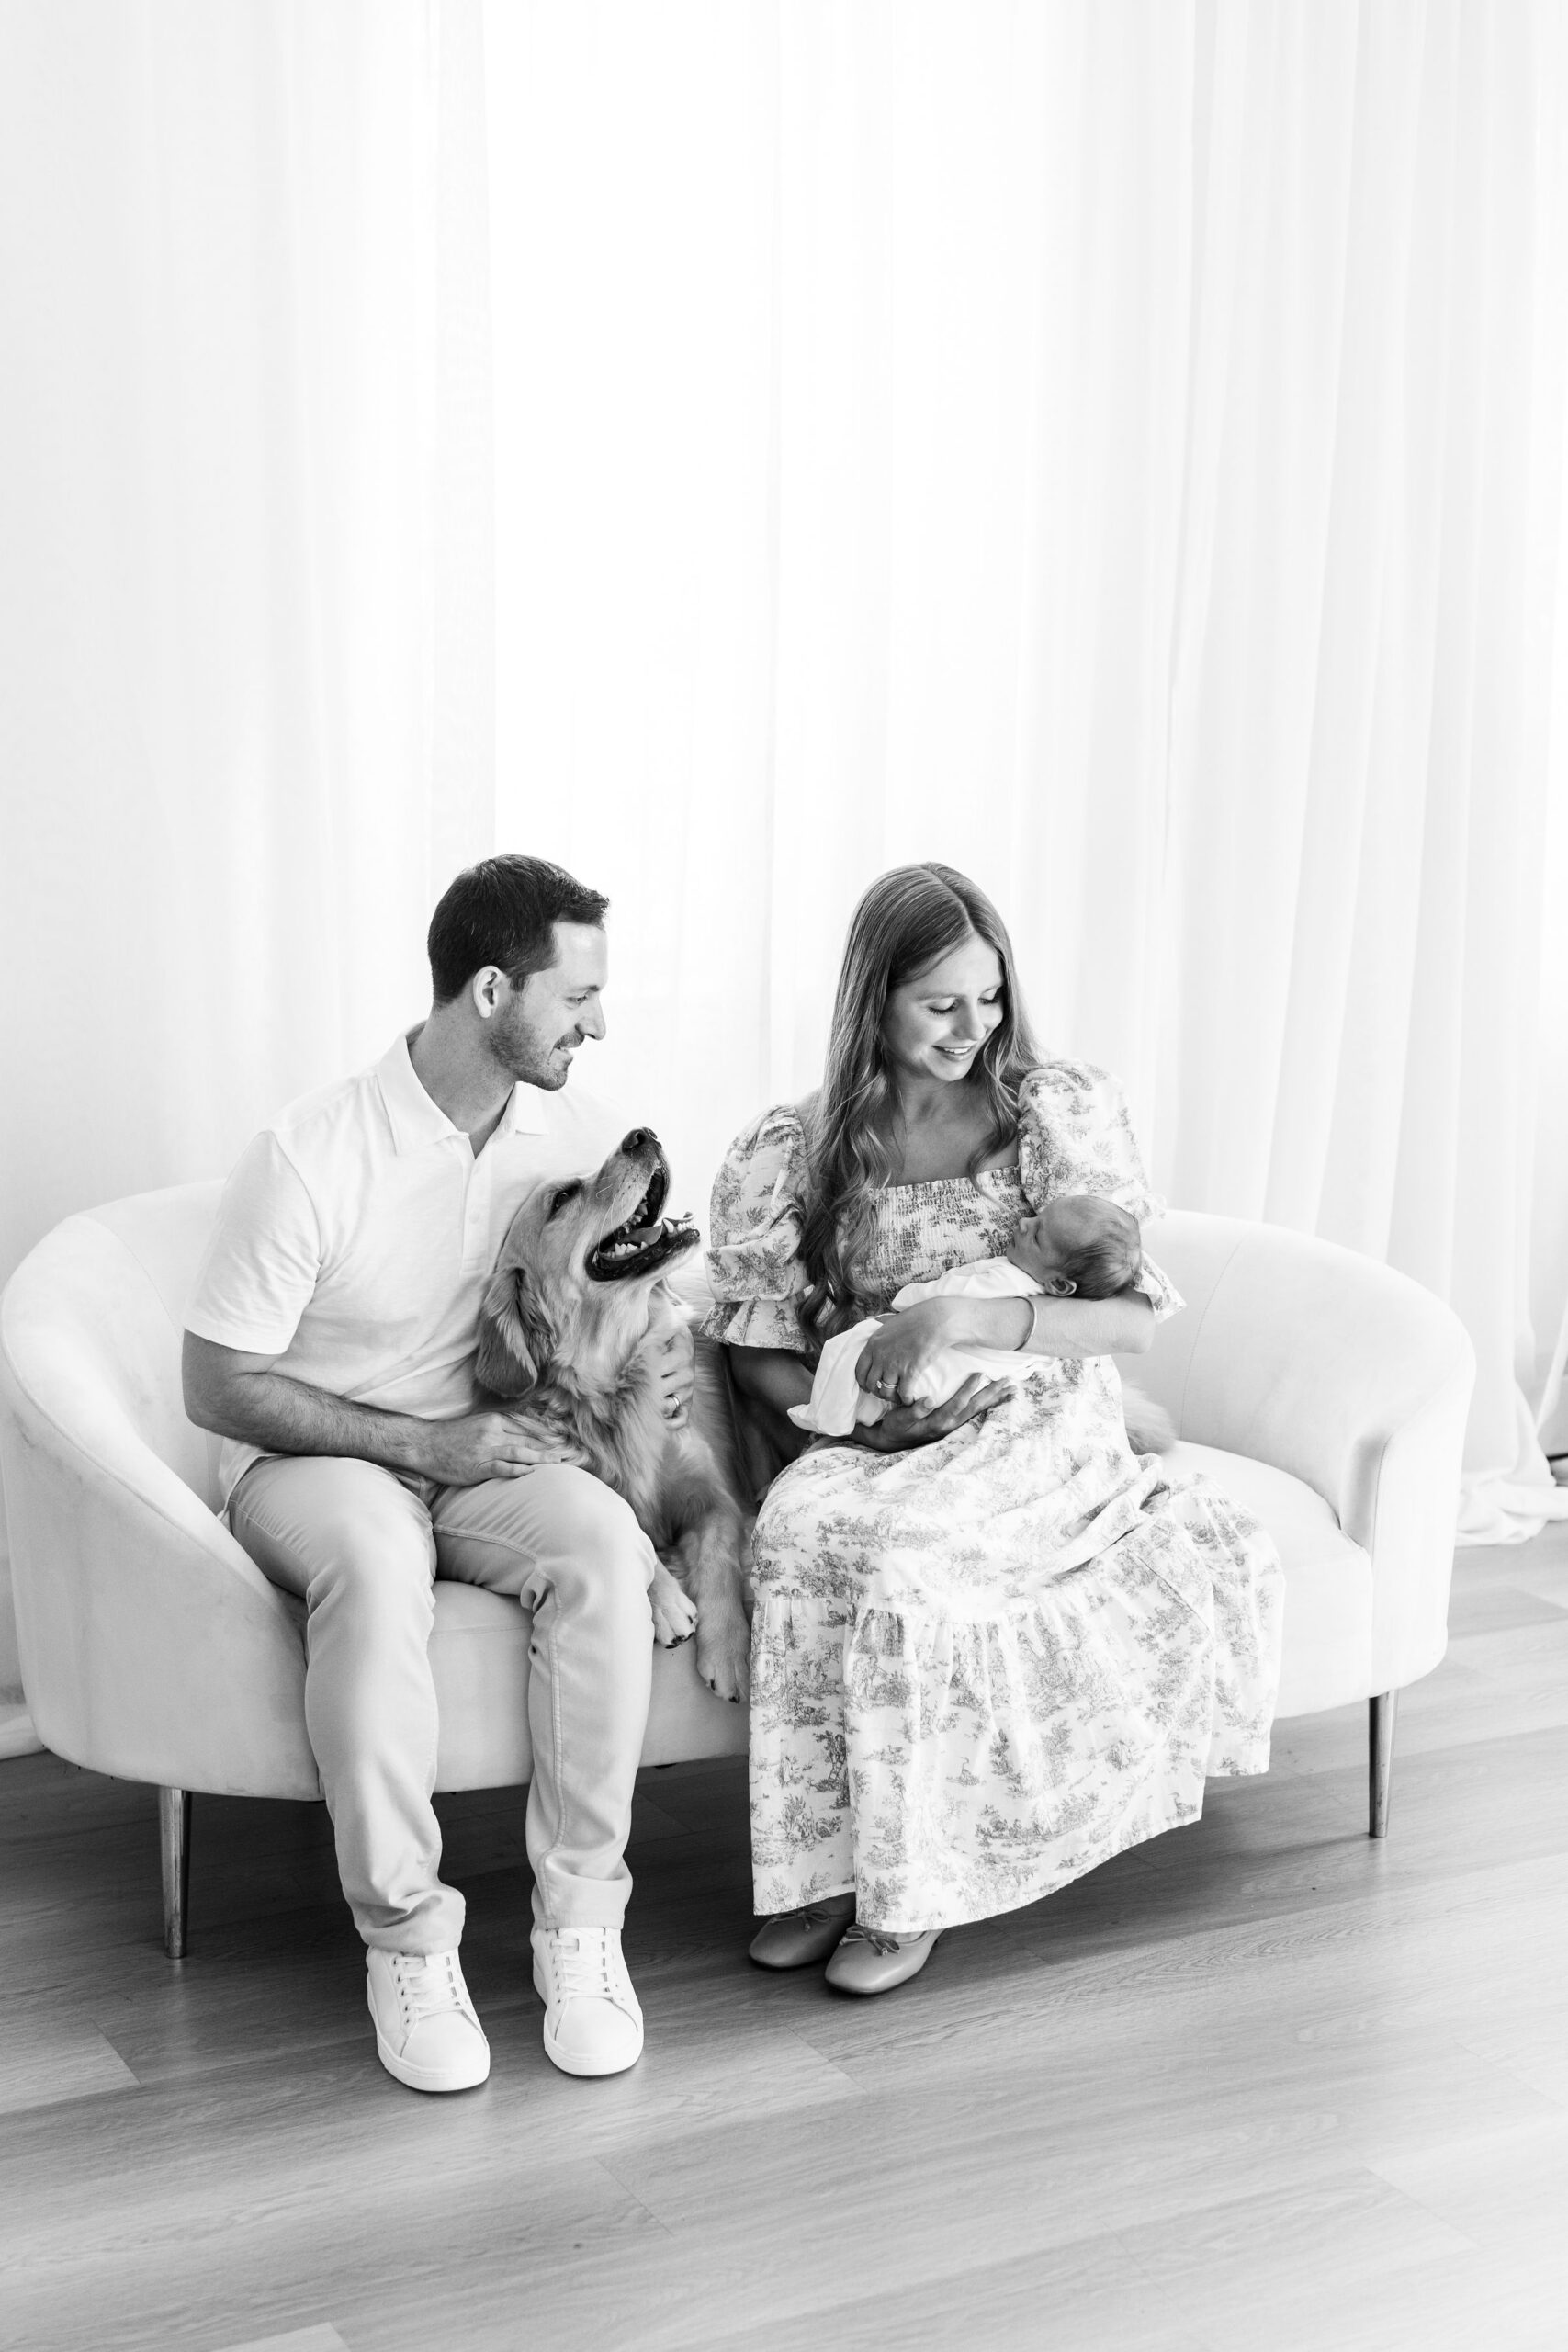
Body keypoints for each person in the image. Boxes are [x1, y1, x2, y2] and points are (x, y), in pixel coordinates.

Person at [705, 862, 1283, 1997]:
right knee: (799, 1527)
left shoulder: (1049, 1113)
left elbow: (1128, 1319)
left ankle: (908, 1889)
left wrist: (963, 1313)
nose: (977, 1027)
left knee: (903, 1558)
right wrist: (846, 1437)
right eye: (941, 1003)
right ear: (873, 999)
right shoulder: (799, 1145)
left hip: (1038, 1422)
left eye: (993, 995)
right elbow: (756, 1338)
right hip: (881, 1428)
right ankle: (821, 1871)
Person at [183, 854, 690, 2089]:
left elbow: (575, 1314)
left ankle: (579, 1925)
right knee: (369, 1557)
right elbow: (216, 1386)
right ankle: (406, 1941)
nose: (598, 1024)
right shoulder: (308, 1155)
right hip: (318, 1456)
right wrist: (416, 1448)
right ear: (485, 992)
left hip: (483, 1450)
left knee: (593, 1544)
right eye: (575, 998)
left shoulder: (556, 1135)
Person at [791, 1193, 1143, 1435]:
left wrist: (915, 1304)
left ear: (1062, 1285)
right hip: (957, 1388)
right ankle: (855, 1420)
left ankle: (828, 1418)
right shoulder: (1044, 1289)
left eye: (1037, 1235)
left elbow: (947, 1296)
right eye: (1035, 1217)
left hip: (955, 1385)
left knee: (845, 1348)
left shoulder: (1009, 1278)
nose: (1023, 1222)